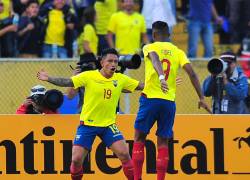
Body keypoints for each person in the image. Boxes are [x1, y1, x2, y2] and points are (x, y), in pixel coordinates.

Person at [37, 48, 144, 180]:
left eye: (116, 61)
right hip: (87, 125)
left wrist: (162, 83)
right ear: (101, 62)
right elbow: (67, 82)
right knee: (76, 160)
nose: (113, 64)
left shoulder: (120, 79)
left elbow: (142, 86)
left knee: (124, 154)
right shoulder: (89, 76)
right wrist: (48, 78)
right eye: (110, 61)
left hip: (108, 125)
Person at [132, 21, 211, 180]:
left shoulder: (149, 47)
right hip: (168, 103)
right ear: (168, 35)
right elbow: (193, 74)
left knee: (139, 138)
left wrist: (161, 77)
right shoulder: (178, 52)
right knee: (163, 143)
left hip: (150, 100)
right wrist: (201, 97)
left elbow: (155, 60)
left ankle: (137, 178)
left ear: (154, 35)